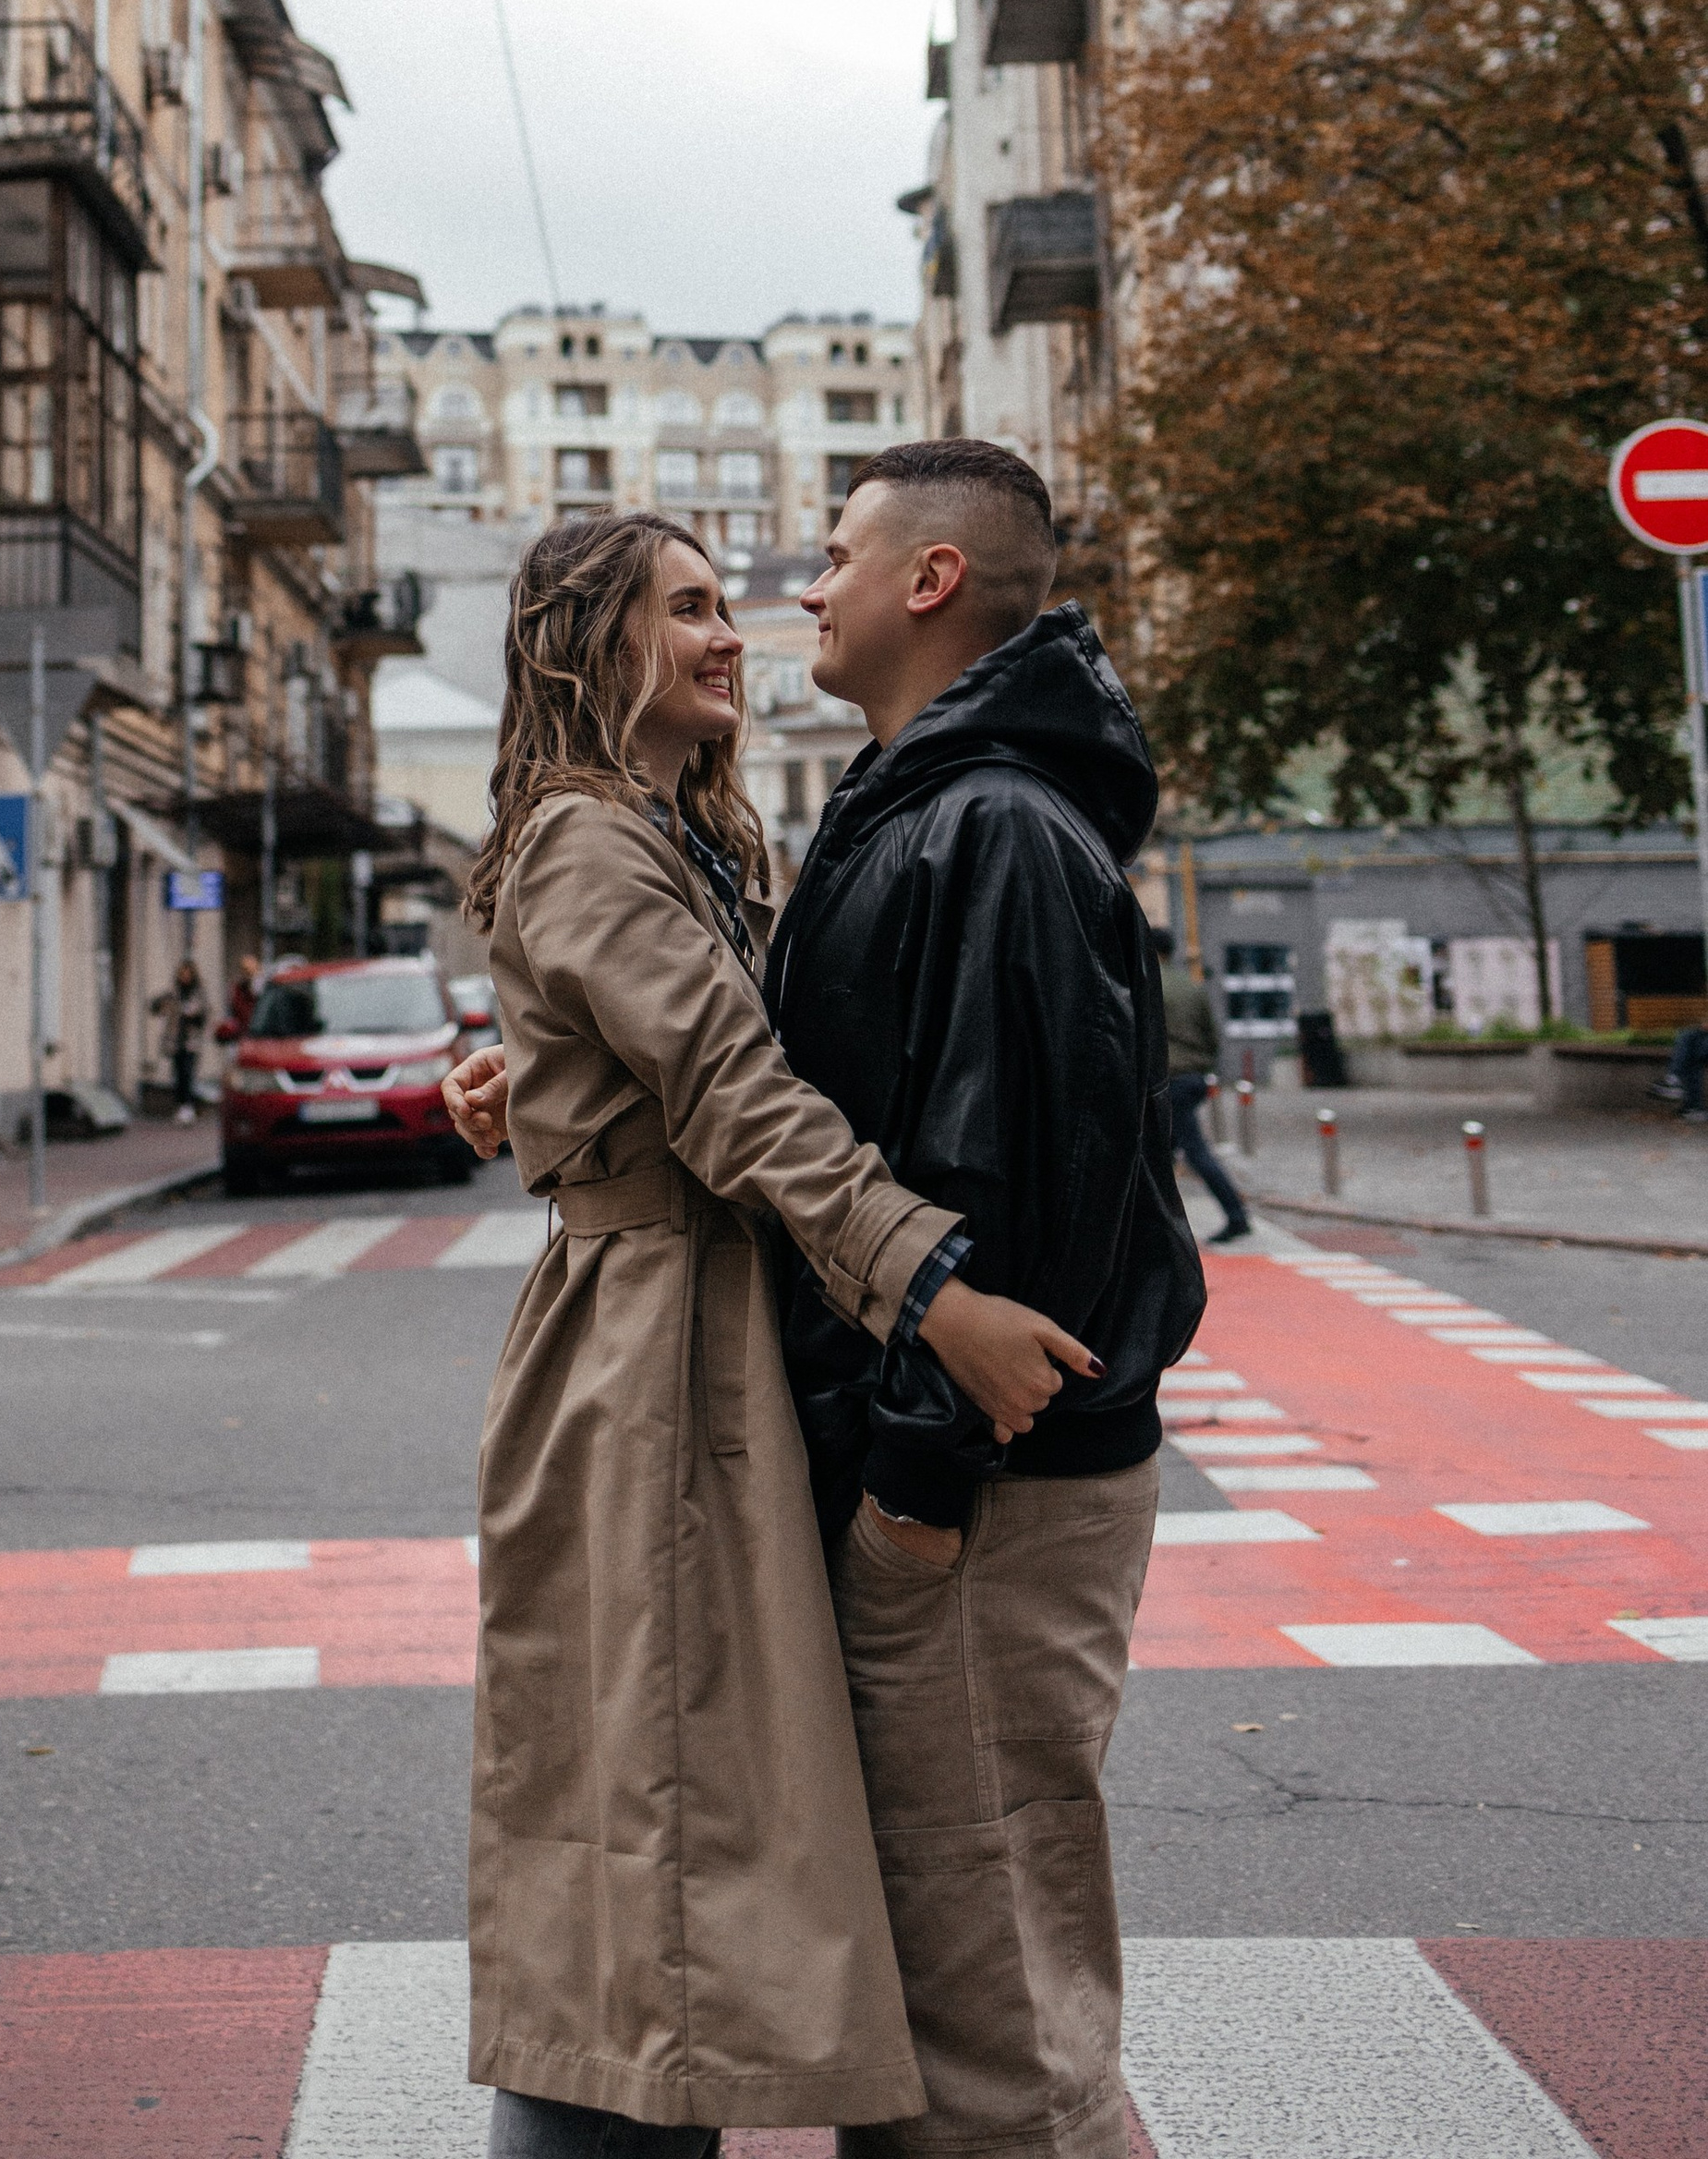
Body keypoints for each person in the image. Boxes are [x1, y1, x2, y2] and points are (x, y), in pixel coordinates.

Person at [455, 509, 1096, 2158]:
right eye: (687, 609)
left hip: (705, 1340)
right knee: (656, 1826)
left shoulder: (679, 838)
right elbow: (739, 1100)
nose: (733, 631)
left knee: (684, 1828)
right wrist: (937, 1291)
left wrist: (528, 1081)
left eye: (727, 604)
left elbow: (684, 1061)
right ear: (585, 644)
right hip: (649, 1366)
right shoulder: (595, 840)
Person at [769, 439, 1206, 2159]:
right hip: (954, 1475)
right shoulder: (933, 801)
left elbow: (1005, 1179)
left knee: (990, 2012)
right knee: (945, 1979)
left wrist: (917, 1488)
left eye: (837, 550)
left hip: (982, 1492)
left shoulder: (993, 825)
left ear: (929, 581)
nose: (809, 584)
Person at [1157, 927, 1254, 1242]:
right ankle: (1160, 1229)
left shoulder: (1148, 982)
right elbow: (1211, 1037)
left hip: (1167, 1080)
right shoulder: (1190, 986)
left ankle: (1236, 1215)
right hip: (1193, 1077)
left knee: (1194, 1152)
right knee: (1160, 1154)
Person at [149, 956, 207, 1122]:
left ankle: (188, 1106)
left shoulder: (198, 993)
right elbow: (156, 1008)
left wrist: (194, 1014)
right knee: (178, 1073)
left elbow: (204, 1016)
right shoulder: (174, 992)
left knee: (188, 1072)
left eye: (188, 973)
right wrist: (161, 1004)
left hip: (191, 1040)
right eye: (182, 973)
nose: (185, 977)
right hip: (175, 1039)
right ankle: (181, 1105)